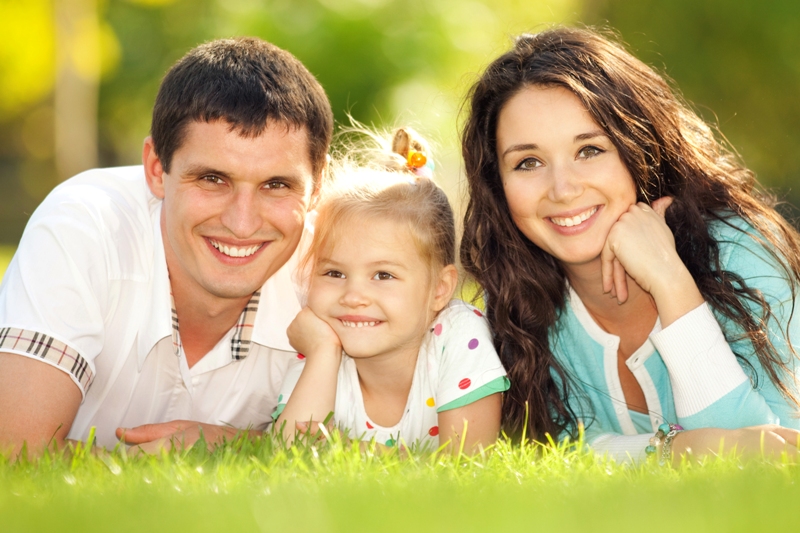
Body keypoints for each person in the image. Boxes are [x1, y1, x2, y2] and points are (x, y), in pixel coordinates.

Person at [460, 27, 800, 463]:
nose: (563, 190)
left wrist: (673, 285)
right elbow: (544, 455)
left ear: (637, 148)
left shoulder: (741, 254)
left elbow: (777, 459)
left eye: (590, 150)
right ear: (497, 185)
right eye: (529, 162)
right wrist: (674, 450)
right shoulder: (514, 298)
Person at [0, 37, 333, 455]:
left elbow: (399, 446)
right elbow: (14, 449)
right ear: (157, 169)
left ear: (317, 189)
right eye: (213, 179)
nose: (242, 223)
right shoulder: (83, 225)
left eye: (276, 185)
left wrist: (229, 445)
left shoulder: (340, 273)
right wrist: (144, 462)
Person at [274, 128, 508, 451]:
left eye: (383, 275)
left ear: (440, 290)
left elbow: (465, 466)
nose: (353, 296)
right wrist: (323, 353)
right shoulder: (321, 345)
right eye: (334, 272)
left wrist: (350, 451)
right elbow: (289, 455)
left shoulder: (456, 335)